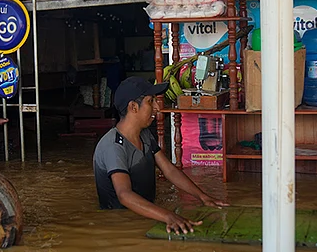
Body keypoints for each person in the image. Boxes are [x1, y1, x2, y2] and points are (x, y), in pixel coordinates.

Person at [94, 76, 229, 234]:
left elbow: (169, 170)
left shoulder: (144, 135)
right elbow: (124, 195)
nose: (158, 108)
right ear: (133, 107)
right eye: (151, 101)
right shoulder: (113, 146)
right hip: (122, 226)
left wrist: (203, 197)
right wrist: (168, 216)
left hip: (147, 215)